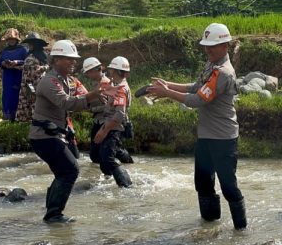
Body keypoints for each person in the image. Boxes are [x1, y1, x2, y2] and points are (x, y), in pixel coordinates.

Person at [147, 23, 247, 230]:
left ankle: (241, 231)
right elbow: (196, 87)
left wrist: (167, 93)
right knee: (203, 184)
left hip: (223, 139)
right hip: (206, 137)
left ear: (225, 46)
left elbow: (198, 100)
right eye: (206, 46)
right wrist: (168, 84)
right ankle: (209, 228)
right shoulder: (211, 64)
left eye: (213, 46)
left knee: (229, 187)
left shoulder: (224, 72)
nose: (208, 50)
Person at [29, 39, 102, 223]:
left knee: (63, 172)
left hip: (54, 136)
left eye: (74, 59)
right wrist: (93, 95)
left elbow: (83, 100)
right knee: (70, 170)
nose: (73, 62)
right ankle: (53, 214)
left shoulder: (69, 81)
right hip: (43, 137)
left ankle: (51, 210)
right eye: (69, 59)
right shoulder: (49, 81)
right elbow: (66, 102)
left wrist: (104, 97)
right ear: (56, 60)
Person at [85, 56, 133, 188]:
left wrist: (104, 130)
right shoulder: (116, 86)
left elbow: (119, 114)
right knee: (103, 156)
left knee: (107, 158)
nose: (110, 71)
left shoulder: (121, 89)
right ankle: (109, 180)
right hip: (111, 125)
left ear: (114, 71)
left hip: (113, 127)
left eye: (111, 69)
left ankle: (126, 185)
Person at [16, 32, 49, 123]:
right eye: (29, 44)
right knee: (25, 100)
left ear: (36, 44)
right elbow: (26, 67)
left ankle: (38, 121)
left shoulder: (42, 55)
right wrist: (16, 66)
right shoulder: (29, 54)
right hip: (26, 82)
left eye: (31, 44)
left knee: (36, 101)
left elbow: (48, 66)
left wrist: (40, 68)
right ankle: (25, 120)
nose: (29, 46)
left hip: (37, 82)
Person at [0, 28, 28, 121]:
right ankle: (7, 116)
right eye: (9, 39)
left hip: (18, 75)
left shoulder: (23, 50)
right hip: (7, 76)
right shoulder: (5, 50)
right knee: (7, 95)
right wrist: (3, 63)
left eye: (13, 39)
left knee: (17, 95)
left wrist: (17, 62)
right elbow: (0, 62)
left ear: (17, 40)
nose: (11, 41)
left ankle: (18, 116)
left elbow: (27, 61)